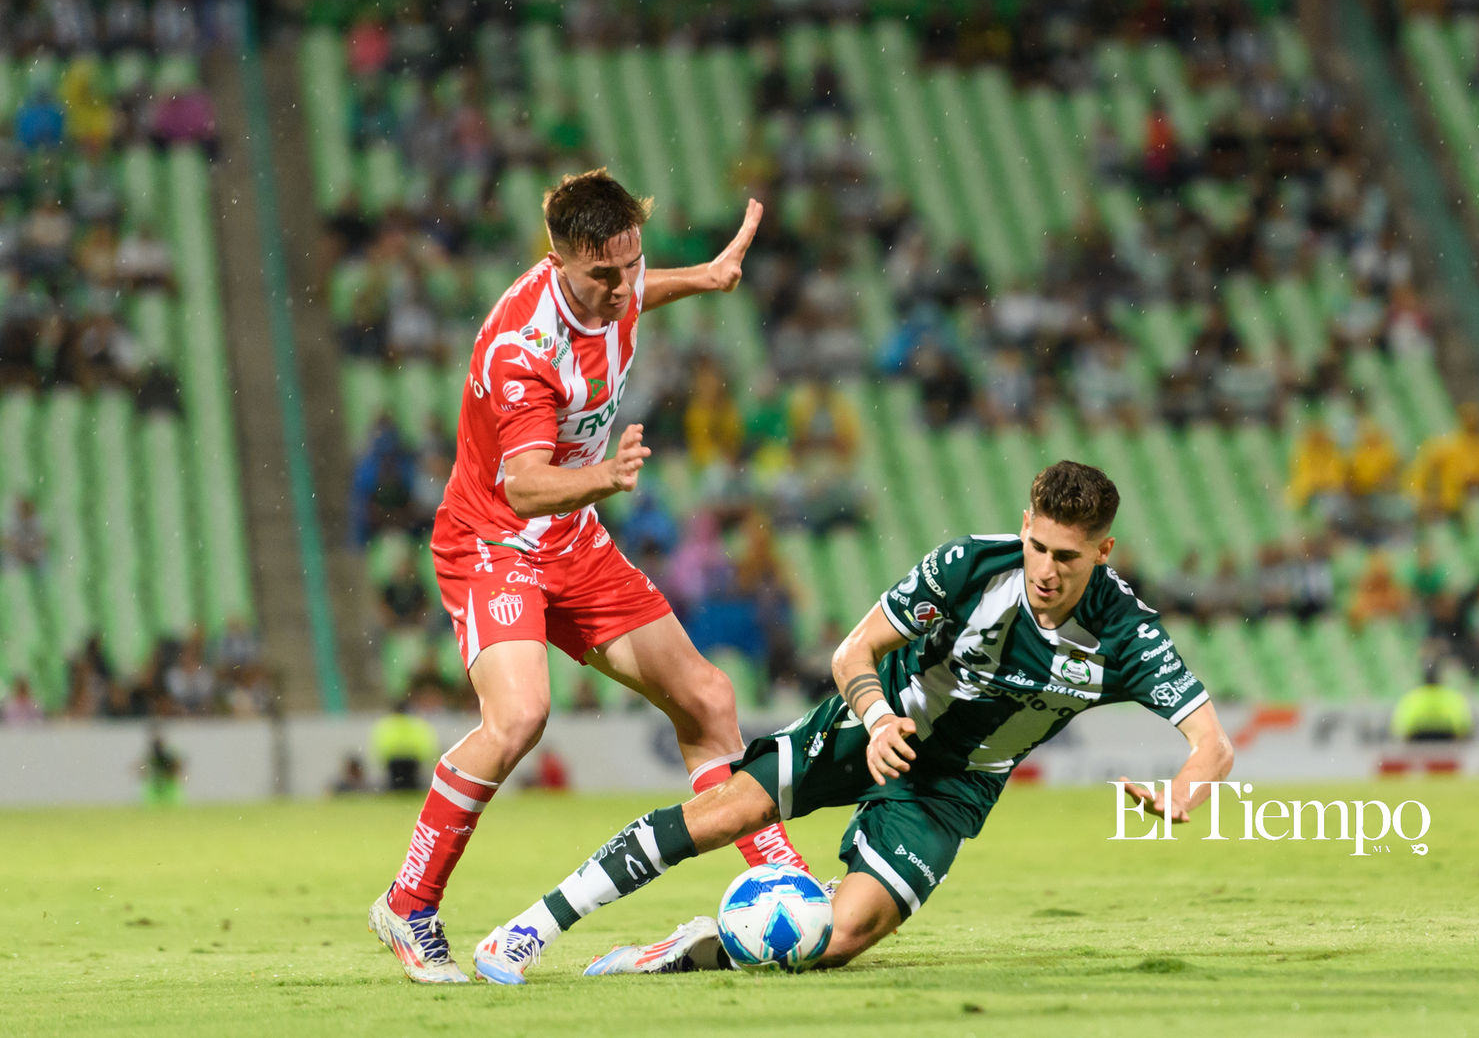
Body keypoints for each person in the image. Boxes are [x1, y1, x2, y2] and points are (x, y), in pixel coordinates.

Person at [468, 461, 1234, 982]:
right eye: (1037, 544)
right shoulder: (970, 566)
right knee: (726, 811)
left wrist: (1186, 792)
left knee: (842, 939)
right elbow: (854, 648)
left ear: (1103, 551)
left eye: (1067, 556)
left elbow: (1212, 743)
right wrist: (874, 717)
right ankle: (530, 928)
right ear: (1024, 524)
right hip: (875, 721)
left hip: (954, 788)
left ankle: (694, 947)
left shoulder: (1126, 634)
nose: (1045, 569)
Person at [369, 169, 810, 983]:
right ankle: (408, 904)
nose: (622, 288)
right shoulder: (523, 347)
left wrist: (706, 278)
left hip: (570, 538)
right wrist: (607, 476)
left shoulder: (619, 281)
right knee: (520, 718)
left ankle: (779, 877)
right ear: (559, 259)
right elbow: (523, 483)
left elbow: (639, 291)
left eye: (631, 266)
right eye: (603, 275)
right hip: (495, 541)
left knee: (708, 698)